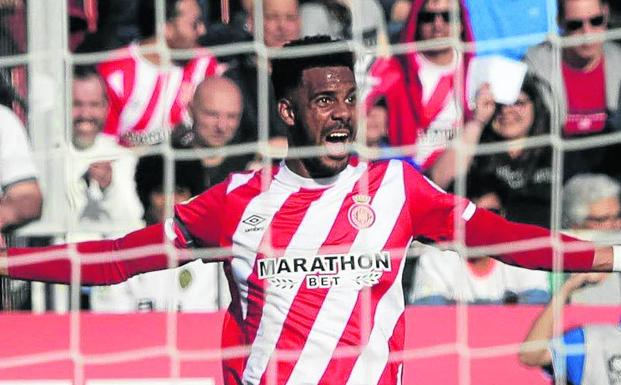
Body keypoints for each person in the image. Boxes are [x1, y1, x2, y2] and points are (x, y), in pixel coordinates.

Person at [0, 36, 618, 385]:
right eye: (325, 100)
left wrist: (611, 255)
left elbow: (503, 238)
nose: (343, 113)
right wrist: (10, 263)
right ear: (290, 113)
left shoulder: (397, 189)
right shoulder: (238, 199)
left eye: (349, 97)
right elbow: (116, 260)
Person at [430, 74, 555, 227]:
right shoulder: (477, 149)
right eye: (498, 104)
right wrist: (477, 121)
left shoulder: (554, 150)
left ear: (535, 105)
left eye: (517, 103)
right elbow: (437, 182)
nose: (506, 111)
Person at [366, 0, 475, 170]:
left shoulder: (476, 70)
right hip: (402, 172)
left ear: (461, 24)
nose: (438, 25)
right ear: (416, 22)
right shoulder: (392, 72)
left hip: (461, 173)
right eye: (427, 17)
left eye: (448, 17)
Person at [96, 0, 220, 147]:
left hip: (191, 164)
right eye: (195, 23)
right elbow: (104, 145)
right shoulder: (112, 73)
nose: (202, 30)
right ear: (166, 28)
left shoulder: (205, 64)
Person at [410, 177, 550, 305]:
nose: (481, 224)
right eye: (469, 215)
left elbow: (538, 309)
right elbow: (428, 316)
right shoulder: (436, 257)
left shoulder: (524, 250)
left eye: (491, 213)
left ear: (504, 215)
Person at [524, 0, 621, 176]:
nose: (587, 32)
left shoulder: (618, 61)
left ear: (606, 14)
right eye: (575, 25)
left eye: (596, 21)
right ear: (559, 22)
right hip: (556, 170)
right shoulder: (535, 67)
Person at [66, 65, 144, 240]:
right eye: (76, 104)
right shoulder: (44, 153)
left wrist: (109, 187)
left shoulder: (123, 158)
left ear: (106, 107)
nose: (85, 114)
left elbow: (131, 228)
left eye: (94, 104)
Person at [519, 273, 621, 385]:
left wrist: (567, 289)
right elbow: (530, 355)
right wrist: (567, 289)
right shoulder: (591, 340)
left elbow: (530, 355)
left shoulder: (592, 339)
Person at [171, 76, 255, 189]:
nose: (221, 126)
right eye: (212, 114)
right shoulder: (167, 162)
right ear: (191, 110)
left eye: (232, 116)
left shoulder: (252, 166)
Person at [561, 173, 621, 305]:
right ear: (576, 223)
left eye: (617, 216)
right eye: (603, 219)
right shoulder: (557, 263)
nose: (616, 225)